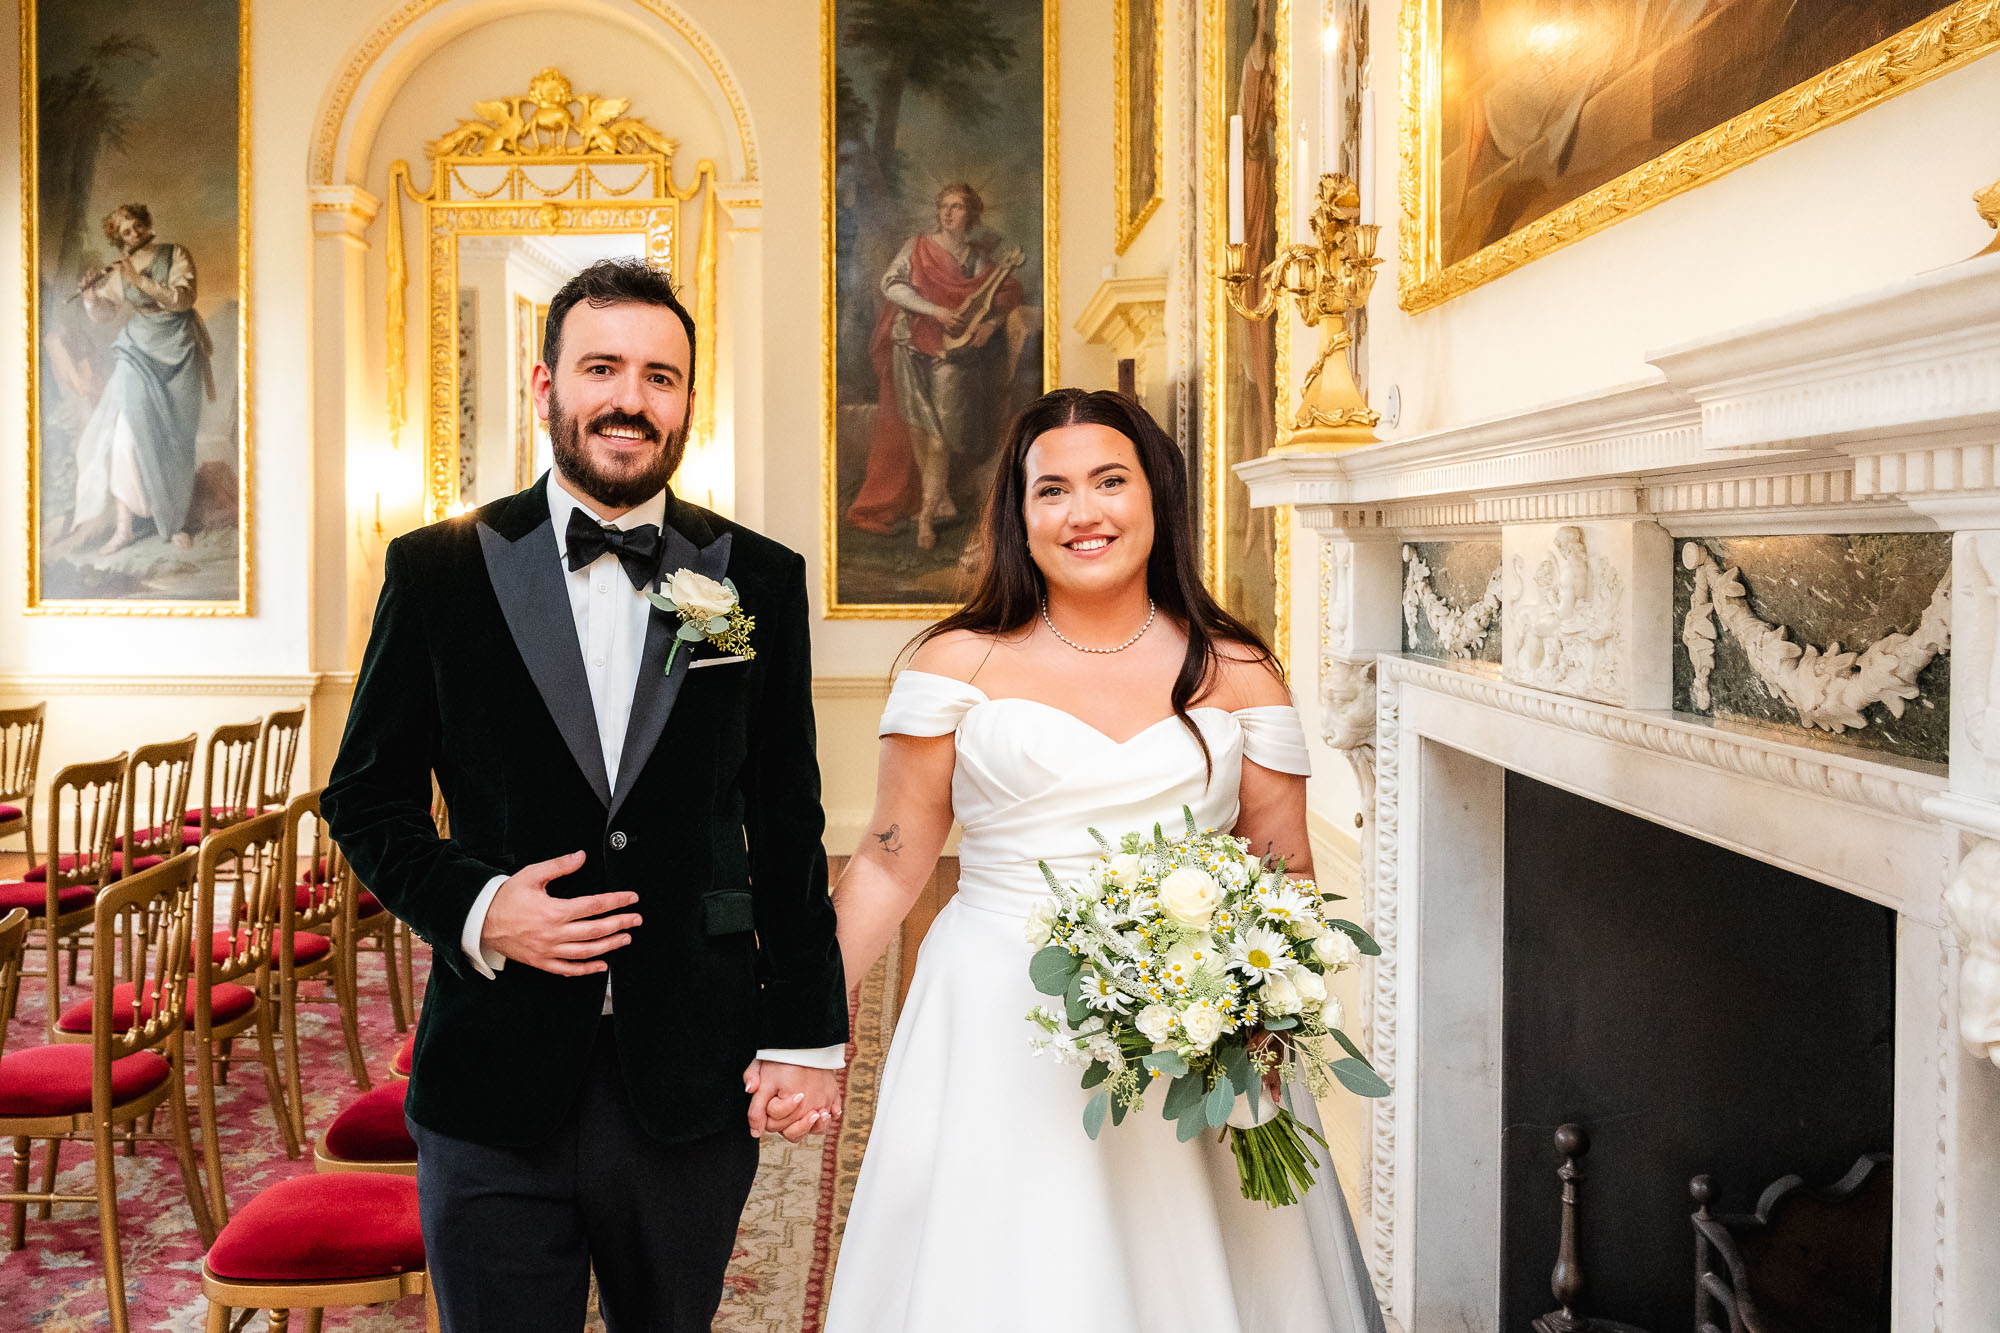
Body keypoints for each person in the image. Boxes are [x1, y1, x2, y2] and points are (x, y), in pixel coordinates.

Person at [323, 259, 848, 1333]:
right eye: (601, 367)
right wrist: (481, 908)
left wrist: (804, 1031)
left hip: (689, 1069)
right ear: (544, 385)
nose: (629, 399)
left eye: (661, 376)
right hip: (493, 1068)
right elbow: (365, 798)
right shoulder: (435, 570)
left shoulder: (754, 576)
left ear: (687, 400)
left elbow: (787, 819)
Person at [823, 388, 1386, 1332]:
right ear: (1020, 515)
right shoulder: (954, 663)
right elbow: (887, 863)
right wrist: (799, 1027)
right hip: (996, 1017)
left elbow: (1284, 877)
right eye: (1052, 490)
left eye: (1110, 481)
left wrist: (1263, 1025)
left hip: (1191, 1039)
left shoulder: (1239, 671)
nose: (1083, 512)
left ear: (1156, 495)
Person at [845, 182, 1024, 550]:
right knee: (918, 428)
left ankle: (926, 514)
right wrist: (935, 310)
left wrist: (991, 325)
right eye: (944, 206)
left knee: (939, 436)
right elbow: (891, 284)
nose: (947, 213)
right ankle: (937, 502)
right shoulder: (918, 246)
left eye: (956, 207)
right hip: (911, 342)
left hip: (951, 353)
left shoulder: (977, 260)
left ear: (970, 214)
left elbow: (1003, 294)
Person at [67, 203, 214, 554]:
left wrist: (139, 280)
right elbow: (105, 314)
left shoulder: (175, 254)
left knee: (176, 441)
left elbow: (183, 298)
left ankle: (173, 523)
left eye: (136, 227)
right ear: (118, 238)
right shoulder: (120, 269)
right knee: (124, 436)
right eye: (125, 232)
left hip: (179, 351)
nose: (133, 235)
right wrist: (91, 299)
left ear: (146, 225)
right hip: (137, 350)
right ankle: (124, 528)